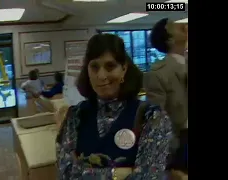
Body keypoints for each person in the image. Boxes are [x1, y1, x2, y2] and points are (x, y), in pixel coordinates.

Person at [56, 34, 173, 179]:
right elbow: (65, 173)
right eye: (94, 67)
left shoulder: (152, 117)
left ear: (124, 68)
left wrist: (83, 173)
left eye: (110, 66)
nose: (101, 75)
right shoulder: (76, 115)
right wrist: (119, 174)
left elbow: (149, 176)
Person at [145, 18, 188, 177]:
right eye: (175, 24)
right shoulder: (158, 74)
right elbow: (157, 123)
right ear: (169, 39)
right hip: (182, 147)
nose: (184, 24)